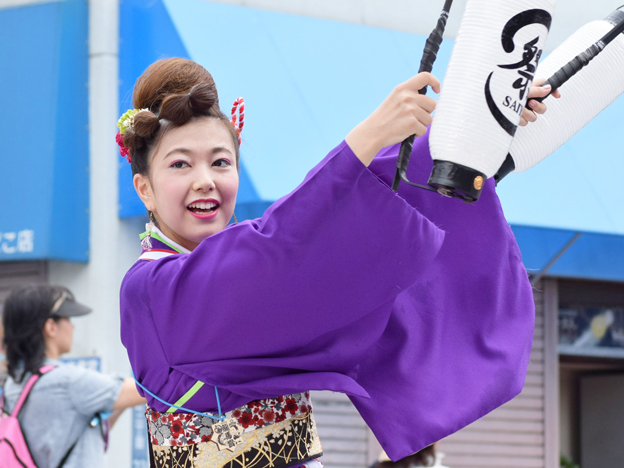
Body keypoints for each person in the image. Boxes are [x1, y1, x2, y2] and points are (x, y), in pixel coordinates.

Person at [118, 58, 557, 468]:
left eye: (220, 162)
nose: (205, 181)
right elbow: (287, 245)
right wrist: (369, 135)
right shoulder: (149, 290)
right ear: (145, 189)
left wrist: (474, 132)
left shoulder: (244, 262)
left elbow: (331, 227)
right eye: (180, 164)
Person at [1, 285, 146, 468]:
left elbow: (81, 436)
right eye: (68, 319)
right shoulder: (66, 381)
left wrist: (119, 404)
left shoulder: (14, 383)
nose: (73, 326)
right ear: (51, 327)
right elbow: (146, 390)